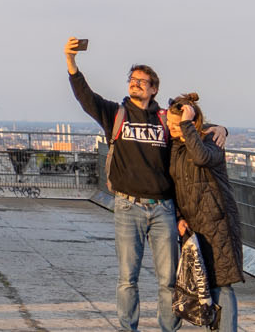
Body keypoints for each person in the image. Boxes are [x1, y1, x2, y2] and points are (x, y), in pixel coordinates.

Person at [66, 40, 177, 332]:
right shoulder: (116, 114)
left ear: (154, 88)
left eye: (142, 81)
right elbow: (85, 97)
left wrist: (221, 129)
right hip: (128, 207)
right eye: (132, 80)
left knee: (169, 279)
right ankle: (128, 328)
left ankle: (169, 328)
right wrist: (71, 62)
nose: (135, 84)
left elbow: (196, 128)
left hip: (164, 208)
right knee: (128, 277)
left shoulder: (166, 119)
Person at [164, 94, 243, 332]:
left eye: (176, 124)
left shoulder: (211, 141)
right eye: (169, 123)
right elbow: (172, 185)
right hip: (192, 224)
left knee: (222, 284)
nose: (171, 128)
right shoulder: (174, 146)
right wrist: (178, 216)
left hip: (217, 222)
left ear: (191, 122)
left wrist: (189, 125)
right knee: (199, 283)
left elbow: (200, 157)